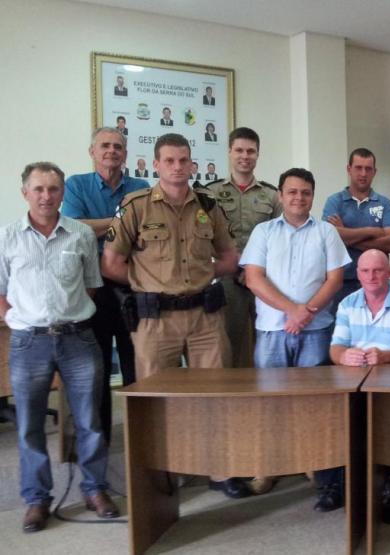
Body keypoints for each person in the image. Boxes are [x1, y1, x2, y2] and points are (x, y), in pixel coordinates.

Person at [101, 133, 244, 498]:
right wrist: (146, 282)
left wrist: (203, 275)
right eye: (170, 161)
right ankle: (158, 472)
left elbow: (229, 257)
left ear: (192, 163)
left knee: (214, 396)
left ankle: (219, 469)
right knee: (155, 399)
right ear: (156, 164)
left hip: (204, 318)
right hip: (155, 320)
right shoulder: (135, 207)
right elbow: (112, 263)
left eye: (184, 160)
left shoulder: (209, 206)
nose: (178, 167)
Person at [1, 162, 120, 533]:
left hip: (77, 339)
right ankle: (37, 499)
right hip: (28, 342)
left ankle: (95, 489)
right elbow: (1, 291)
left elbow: (91, 286)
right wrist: (17, 320)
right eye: (38, 189)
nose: (46, 196)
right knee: (30, 426)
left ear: (63, 193)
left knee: (89, 421)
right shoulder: (8, 237)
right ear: (25, 193)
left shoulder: (81, 236)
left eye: (53, 189)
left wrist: (67, 315)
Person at [241, 167, 350, 509]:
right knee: (270, 402)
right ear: (280, 195)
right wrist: (292, 310)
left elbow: (334, 280)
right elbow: (253, 278)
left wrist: (307, 313)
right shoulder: (263, 232)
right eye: (292, 192)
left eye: (305, 192)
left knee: (314, 404)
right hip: (273, 330)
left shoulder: (326, 234)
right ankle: (267, 466)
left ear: (312, 196)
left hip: (316, 331)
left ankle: (311, 461)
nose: (298, 198)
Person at [62, 127, 149, 444]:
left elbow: (145, 231)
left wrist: (99, 227)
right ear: (92, 151)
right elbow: (74, 229)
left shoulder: (140, 187)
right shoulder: (76, 185)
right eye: (105, 146)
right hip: (91, 290)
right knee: (96, 371)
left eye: (118, 146)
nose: (111, 151)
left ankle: (140, 441)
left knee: (136, 367)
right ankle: (100, 444)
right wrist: (119, 222)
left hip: (131, 286)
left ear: (125, 154)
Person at [203, 127, 281, 370]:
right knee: (228, 343)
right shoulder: (210, 193)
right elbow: (204, 237)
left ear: (258, 155)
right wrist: (233, 266)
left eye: (251, 151)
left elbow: (280, 238)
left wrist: (255, 270)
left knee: (269, 340)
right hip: (228, 279)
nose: (244, 156)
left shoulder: (271, 195)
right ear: (229, 152)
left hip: (265, 278)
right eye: (239, 150)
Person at [322, 147, 390, 305]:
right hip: (341, 283)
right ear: (349, 169)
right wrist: (372, 231)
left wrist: (346, 235)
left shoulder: (384, 203)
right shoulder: (334, 202)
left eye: (368, 169)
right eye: (358, 168)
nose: (363, 174)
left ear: (374, 172)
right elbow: (329, 237)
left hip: (377, 283)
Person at [330, 249, 390, 366]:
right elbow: (336, 347)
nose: (371, 277)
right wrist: (342, 357)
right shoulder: (347, 304)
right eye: (365, 271)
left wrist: (386, 357)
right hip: (355, 375)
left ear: (389, 273)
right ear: (358, 274)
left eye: (378, 271)